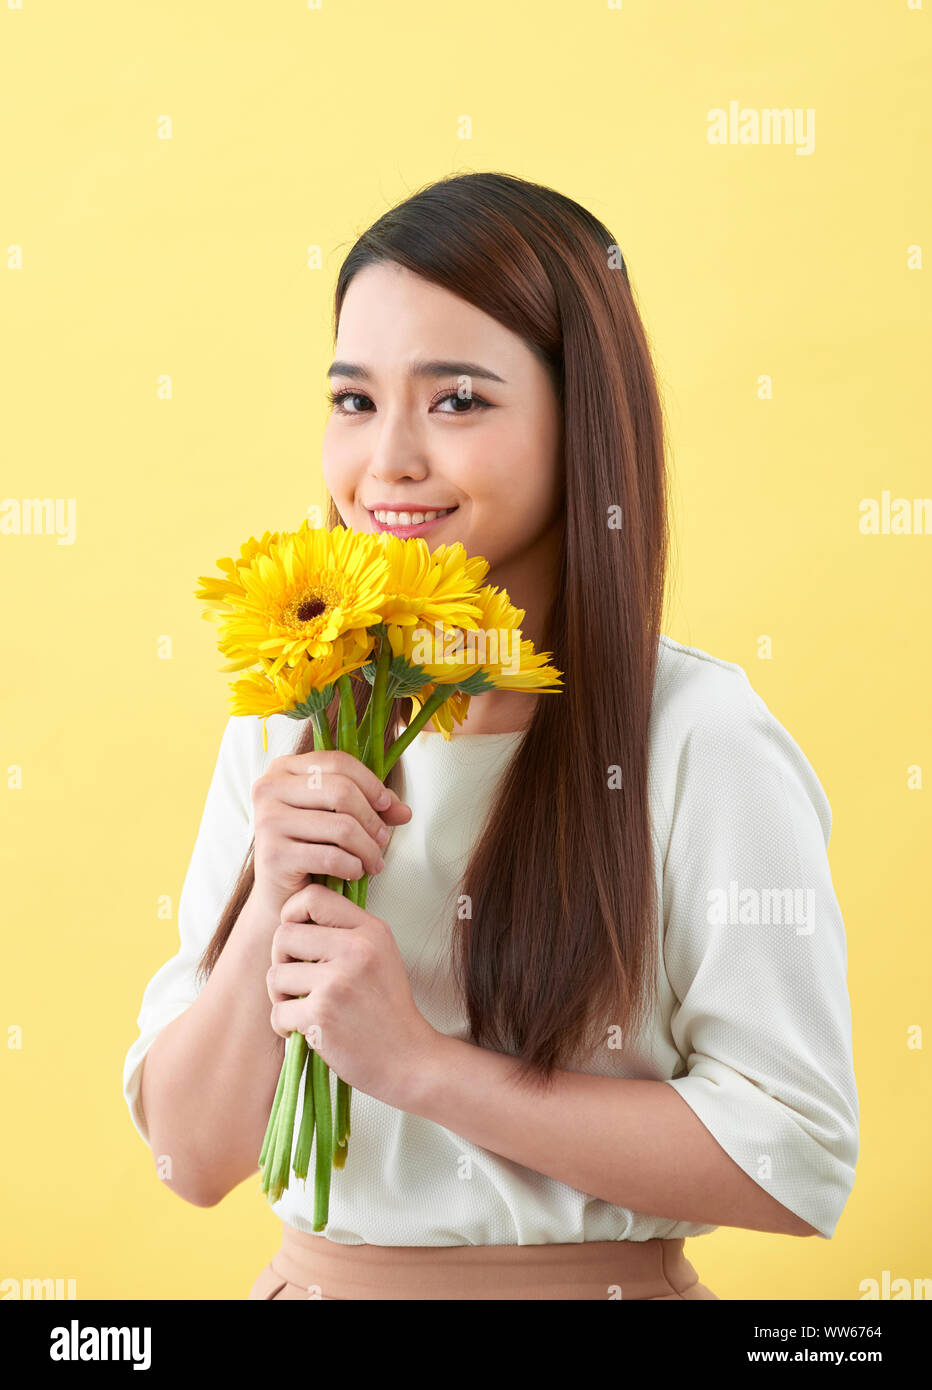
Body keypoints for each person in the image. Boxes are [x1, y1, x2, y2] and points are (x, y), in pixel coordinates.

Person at [122, 171, 859, 1301]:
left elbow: (795, 1159)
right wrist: (272, 900)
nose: (389, 462)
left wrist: (422, 1068)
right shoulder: (291, 724)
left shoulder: (698, 738)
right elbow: (193, 1159)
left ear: (582, 421)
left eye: (456, 399)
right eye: (354, 400)